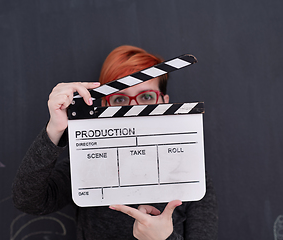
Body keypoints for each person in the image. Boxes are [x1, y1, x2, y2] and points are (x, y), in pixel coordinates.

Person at [12, 45, 218, 240]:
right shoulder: (87, 161)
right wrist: (55, 129)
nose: (132, 109)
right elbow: (28, 200)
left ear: (164, 102)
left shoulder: (192, 175)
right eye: (119, 100)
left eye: (146, 96)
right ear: (104, 106)